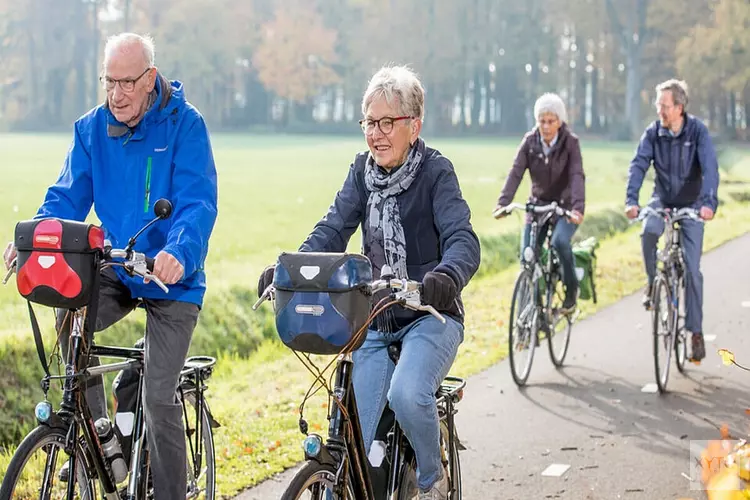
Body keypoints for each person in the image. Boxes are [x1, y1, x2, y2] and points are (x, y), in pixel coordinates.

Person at [3, 32, 218, 498]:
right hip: (118, 267)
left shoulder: (185, 125)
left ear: (150, 80)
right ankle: (100, 432)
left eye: (126, 83)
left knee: (159, 399)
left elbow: (197, 203)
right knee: (68, 307)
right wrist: (35, 237)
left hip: (171, 279)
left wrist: (179, 253)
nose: (116, 93)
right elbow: (65, 197)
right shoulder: (91, 129)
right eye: (109, 82)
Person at [257, 65, 480, 499]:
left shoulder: (436, 173)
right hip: (374, 318)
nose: (375, 134)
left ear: (413, 126)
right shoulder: (362, 172)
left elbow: (462, 238)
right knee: (360, 435)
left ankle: (434, 481)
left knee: (408, 393)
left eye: (386, 123)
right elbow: (331, 230)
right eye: (369, 123)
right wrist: (292, 269)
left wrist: (445, 277)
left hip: (429, 313)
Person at [624, 78, 719, 362]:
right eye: (658, 105)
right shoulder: (653, 133)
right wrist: (631, 199)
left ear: (679, 107)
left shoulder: (697, 131)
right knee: (648, 231)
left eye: (664, 106)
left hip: (692, 205)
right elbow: (639, 164)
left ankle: (695, 332)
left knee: (692, 269)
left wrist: (708, 204)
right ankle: (653, 283)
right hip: (662, 200)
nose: (660, 111)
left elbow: (711, 168)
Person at [493, 92, 585, 314]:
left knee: (560, 242)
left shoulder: (570, 143)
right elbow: (516, 172)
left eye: (550, 121)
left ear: (559, 121)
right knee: (528, 254)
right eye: (541, 121)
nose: (545, 126)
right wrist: (503, 203)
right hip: (538, 206)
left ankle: (571, 294)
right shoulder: (530, 141)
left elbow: (576, 175)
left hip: (564, 207)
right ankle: (529, 314)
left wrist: (577, 208)